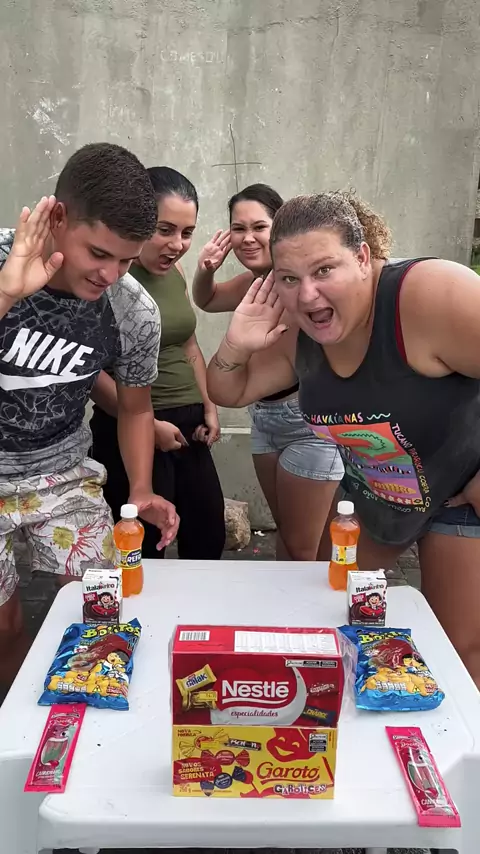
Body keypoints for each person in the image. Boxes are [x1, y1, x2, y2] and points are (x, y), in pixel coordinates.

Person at [207, 190, 480, 687]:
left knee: (453, 651)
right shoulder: (299, 330)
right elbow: (230, 389)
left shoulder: (427, 294)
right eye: (289, 278)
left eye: (324, 270)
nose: (308, 295)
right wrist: (235, 343)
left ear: (362, 257)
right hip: (377, 497)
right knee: (328, 615)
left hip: (458, 494)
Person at [0, 143, 179, 688]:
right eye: (98, 253)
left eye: (125, 260)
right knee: (5, 630)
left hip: (62, 471)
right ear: (58, 218)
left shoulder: (131, 308)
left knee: (98, 616)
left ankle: (81, 718)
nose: (110, 273)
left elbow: (135, 406)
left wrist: (141, 488)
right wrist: (6, 294)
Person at [193, 184, 343, 561]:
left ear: (280, 227)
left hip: (305, 422)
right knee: (290, 537)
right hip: (263, 418)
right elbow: (206, 299)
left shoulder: (301, 286)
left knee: (303, 546)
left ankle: (316, 598)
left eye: (259, 227)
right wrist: (205, 270)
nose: (247, 238)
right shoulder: (253, 284)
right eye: (238, 228)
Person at [91, 167, 225, 559]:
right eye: (164, 230)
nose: (177, 245)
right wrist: (149, 427)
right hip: (130, 423)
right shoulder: (107, 277)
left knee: (207, 536)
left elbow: (188, 344)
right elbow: (89, 373)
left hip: (188, 426)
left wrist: (210, 405)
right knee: (144, 549)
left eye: (187, 232)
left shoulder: (176, 272)